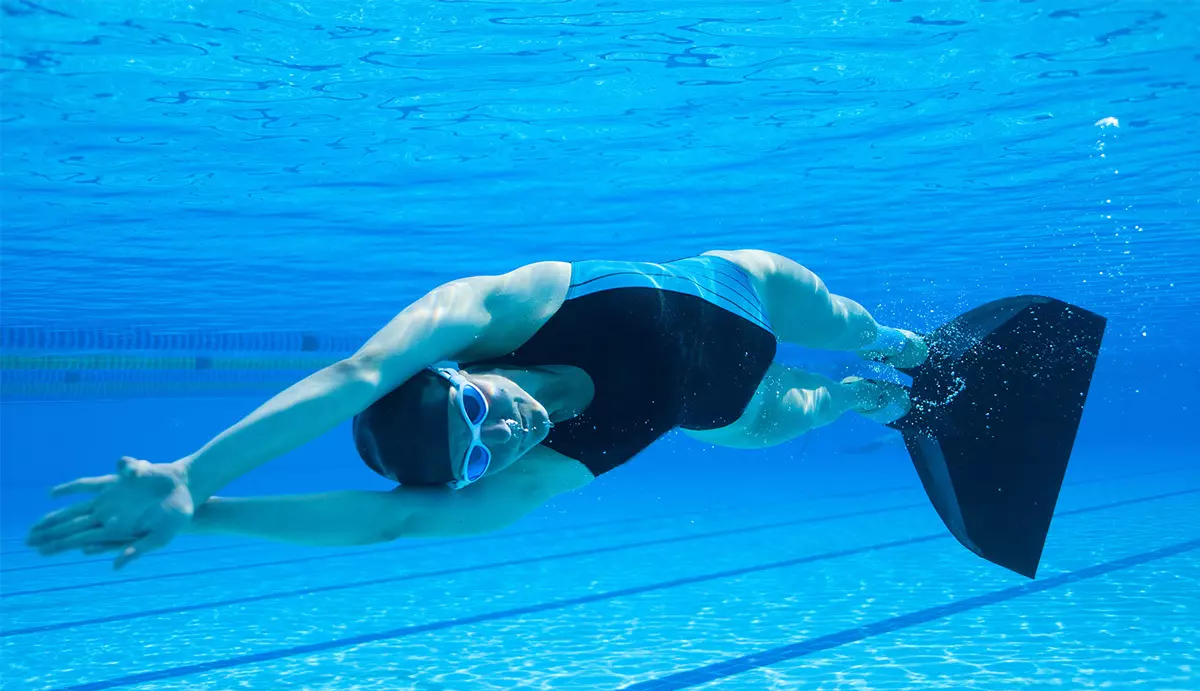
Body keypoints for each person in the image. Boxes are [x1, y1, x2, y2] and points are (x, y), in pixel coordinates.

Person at [27, 250, 927, 569]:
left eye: (473, 408)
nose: (504, 432)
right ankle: (872, 400)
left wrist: (193, 475)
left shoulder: (510, 309)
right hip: (724, 410)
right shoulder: (531, 477)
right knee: (816, 406)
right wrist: (209, 520)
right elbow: (394, 527)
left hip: (747, 289)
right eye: (478, 456)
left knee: (849, 325)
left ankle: (903, 349)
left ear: (460, 370)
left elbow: (361, 370)